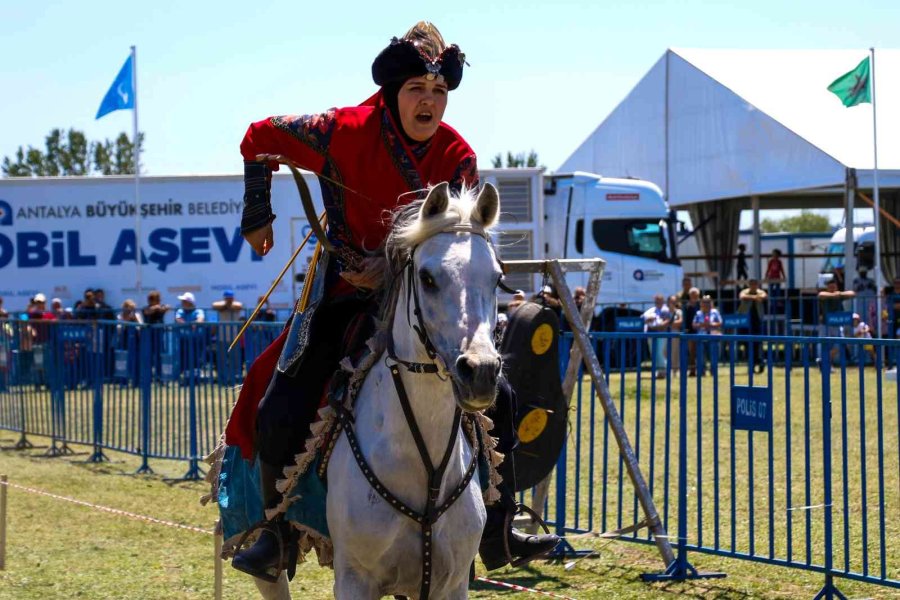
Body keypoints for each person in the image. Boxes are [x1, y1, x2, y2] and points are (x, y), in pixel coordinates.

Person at [228, 21, 557, 581]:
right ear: (392, 91)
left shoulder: (459, 155)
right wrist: (256, 211)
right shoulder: (340, 129)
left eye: (439, 92)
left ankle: (498, 529)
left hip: (428, 300)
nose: (429, 102)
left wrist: (397, 263)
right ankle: (277, 531)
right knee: (279, 396)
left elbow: (455, 240)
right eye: (416, 90)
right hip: (345, 292)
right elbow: (257, 136)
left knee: (497, 394)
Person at [738, 279, 768, 373]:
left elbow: (764, 296)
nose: (753, 285)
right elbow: (742, 296)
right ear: (749, 285)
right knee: (746, 343)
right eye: (751, 284)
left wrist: (750, 297)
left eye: (755, 283)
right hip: (745, 322)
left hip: (757, 321)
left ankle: (758, 362)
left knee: (757, 343)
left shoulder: (761, 292)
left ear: (757, 284)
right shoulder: (744, 291)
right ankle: (751, 362)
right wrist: (755, 297)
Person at [642, 293, 670, 378]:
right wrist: (649, 320)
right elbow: (645, 320)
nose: (658, 302)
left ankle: (664, 370)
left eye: (660, 300)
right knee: (653, 353)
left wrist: (659, 326)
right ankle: (658, 371)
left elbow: (667, 321)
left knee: (659, 352)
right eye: (656, 301)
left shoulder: (666, 310)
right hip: (651, 333)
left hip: (661, 333)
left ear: (663, 301)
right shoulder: (651, 310)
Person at [692, 295, 722, 375]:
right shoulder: (698, 313)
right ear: (701, 303)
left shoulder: (715, 312)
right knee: (701, 356)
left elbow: (720, 323)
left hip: (713, 337)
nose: (706, 304)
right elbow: (694, 325)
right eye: (704, 302)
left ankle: (713, 371)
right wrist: (702, 325)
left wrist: (711, 324)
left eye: (708, 302)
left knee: (713, 355)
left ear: (711, 303)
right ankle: (702, 371)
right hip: (701, 337)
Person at [682, 287, 701, 376]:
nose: (694, 296)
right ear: (689, 295)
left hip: (701, 331)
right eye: (692, 294)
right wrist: (686, 330)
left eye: (695, 294)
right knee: (691, 353)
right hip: (690, 332)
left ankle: (702, 370)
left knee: (701, 352)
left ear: (698, 295)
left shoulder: (701, 304)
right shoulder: (686, 306)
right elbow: (685, 319)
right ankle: (692, 371)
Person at [665, 294, 682, 372]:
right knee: (664, 352)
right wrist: (670, 324)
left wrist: (668, 323)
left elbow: (680, 322)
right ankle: (665, 370)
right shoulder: (664, 311)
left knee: (675, 352)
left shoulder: (678, 311)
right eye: (671, 301)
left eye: (674, 301)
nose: (672, 303)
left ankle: (675, 371)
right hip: (665, 334)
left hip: (675, 334)